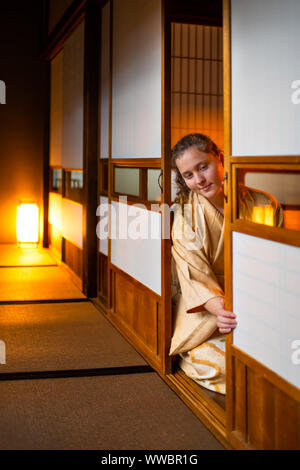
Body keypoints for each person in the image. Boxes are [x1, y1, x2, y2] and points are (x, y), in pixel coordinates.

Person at [169, 133, 283, 394]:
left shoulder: (265, 203)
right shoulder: (186, 216)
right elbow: (193, 273)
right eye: (188, 175)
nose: (199, 180)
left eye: (203, 167)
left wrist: (259, 307)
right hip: (210, 315)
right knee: (227, 366)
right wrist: (221, 310)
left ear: (220, 159)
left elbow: (276, 266)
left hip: (258, 303)